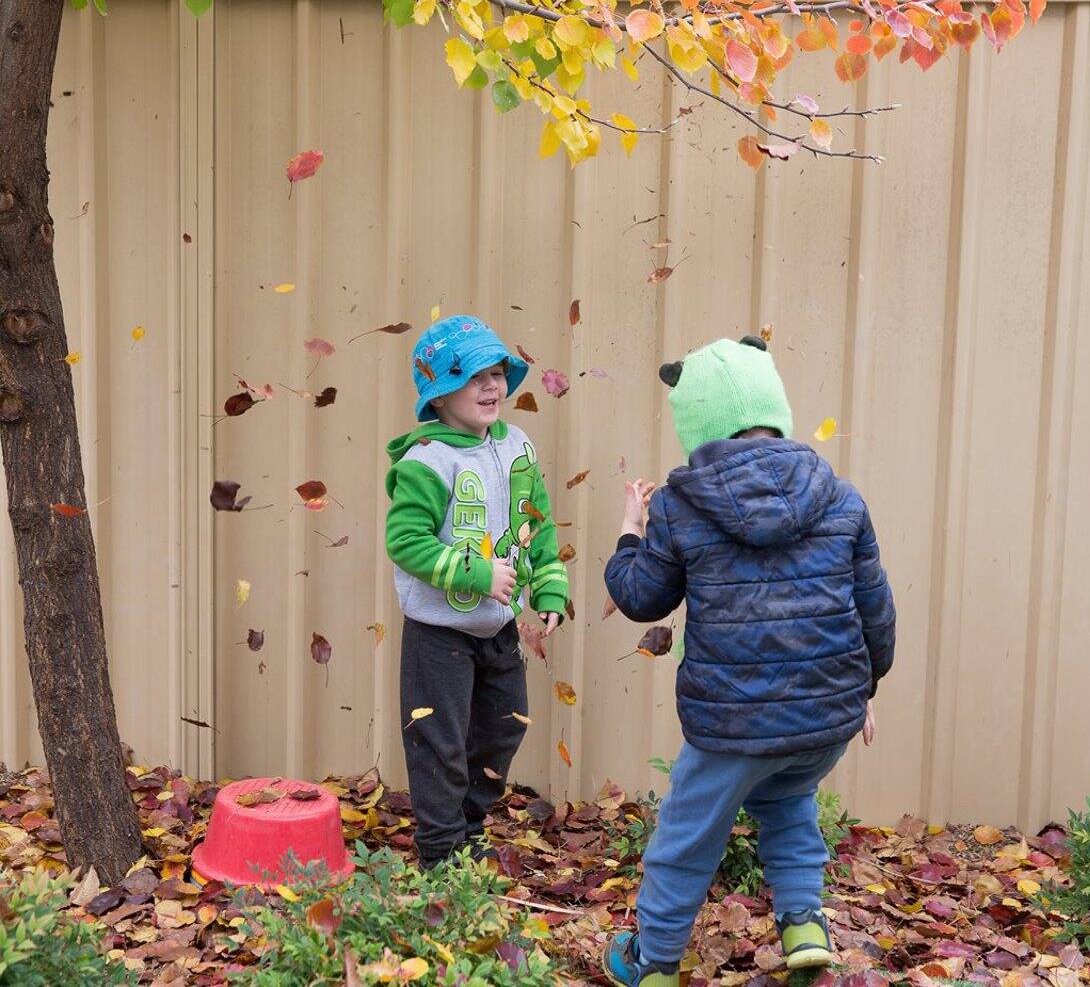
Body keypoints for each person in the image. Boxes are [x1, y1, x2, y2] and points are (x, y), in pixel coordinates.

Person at [601, 334, 896, 984]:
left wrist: (630, 529)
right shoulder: (840, 497)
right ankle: (804, 927)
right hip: (826, 714)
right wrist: (866, 687)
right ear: (775, 407)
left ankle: (651, 962)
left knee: (687, 834)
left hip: (731, 724)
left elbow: (641, 598)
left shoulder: (680, 507)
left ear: (696, 419)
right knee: (788, 804)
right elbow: (875, 608)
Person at [384, 315, 571, 868]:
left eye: (497, 373)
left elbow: (535, 519)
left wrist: (549, 588)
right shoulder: (427, 462)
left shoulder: (517, 446)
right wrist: (476, 574)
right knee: (438, 743)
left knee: (502, 728)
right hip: (438, 634)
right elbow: (405, 540)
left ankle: (468, 829)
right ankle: (441, 856)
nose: (492, 386)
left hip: (498, 628)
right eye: (473, 378)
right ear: (439, 395)